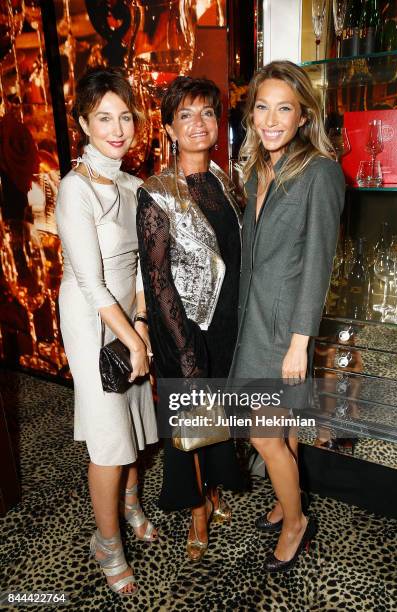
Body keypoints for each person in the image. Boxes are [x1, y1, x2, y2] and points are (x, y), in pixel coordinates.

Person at [229, 60, 345, 572]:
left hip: (282, 329)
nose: (271, 119)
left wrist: (300, 342)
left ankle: (296, 522)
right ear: (251, 112)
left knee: (263, 433)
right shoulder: (258, 167)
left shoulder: (319, 171)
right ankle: (285, 499)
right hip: (253, 319)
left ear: (303, 116)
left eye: (284, 109)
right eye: (262, 106)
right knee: (286, 425)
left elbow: (318, 263)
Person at [56, 67, 158, 597]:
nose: (117, 128)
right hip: (88, 315)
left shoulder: (133, 184)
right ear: (83, 123)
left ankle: (131, 502)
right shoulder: (74, 189)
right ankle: (107, 541)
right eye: (104, 118)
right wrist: (135, 341)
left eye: (124, 116)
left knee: (135, 417)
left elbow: (142, 267)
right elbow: (93, 285)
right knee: (109, 437)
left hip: (126, 314)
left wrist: (140, 322)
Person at [136, 76, 244, 562]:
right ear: (169, 128)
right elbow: (156, 279)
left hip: (225, 324)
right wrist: (183, 349)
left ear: (218, 122)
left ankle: (217, 489)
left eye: (206, 113)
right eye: (185, 115)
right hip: (185, 327)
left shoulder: (226, 179)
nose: (197, 124)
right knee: (194, 421)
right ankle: (197, 509)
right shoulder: (157, 194)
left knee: (221, 415)